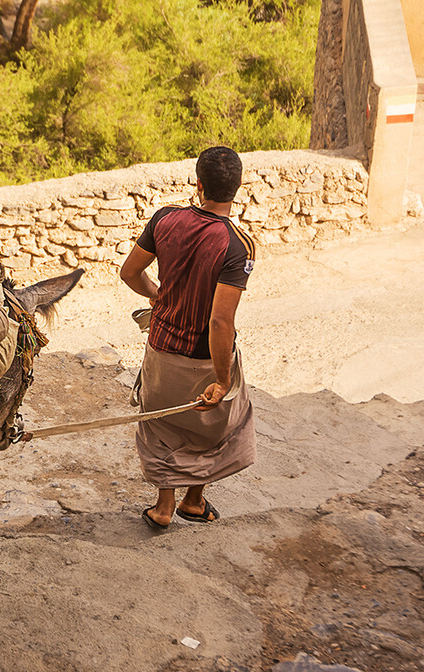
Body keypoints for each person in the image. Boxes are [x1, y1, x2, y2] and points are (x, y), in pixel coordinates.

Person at [119, 146, 257, 529]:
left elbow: (130, 273)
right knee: (218, 425)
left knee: (163, 426)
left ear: (198, 185)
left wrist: (156, 294)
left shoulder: (165, 219)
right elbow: (220, 322)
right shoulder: (236, 245)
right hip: (202, 357)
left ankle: (163, 508)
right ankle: (194, 500)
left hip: (161, 347)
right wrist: (222, 378)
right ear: (237, 188)